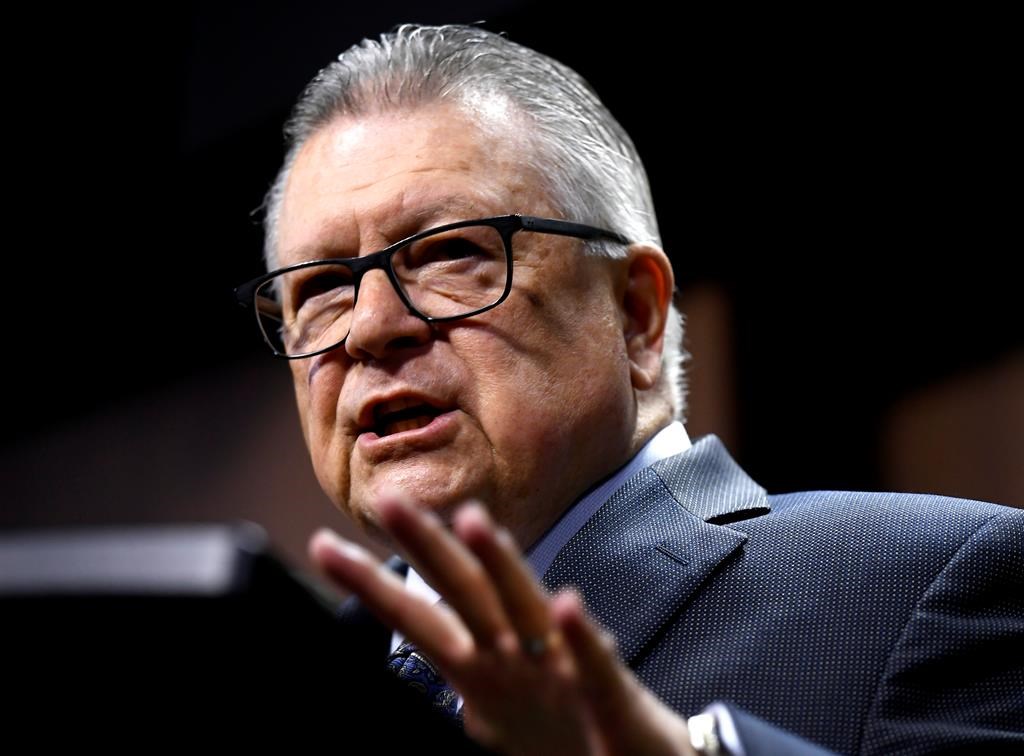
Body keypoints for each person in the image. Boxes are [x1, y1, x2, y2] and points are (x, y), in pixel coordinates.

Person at [235, 23, 1023, 755]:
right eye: (322, 289)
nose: (371, 326)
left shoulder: (927, 583)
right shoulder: (267, 688)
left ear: (637, 315)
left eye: (448, 254)